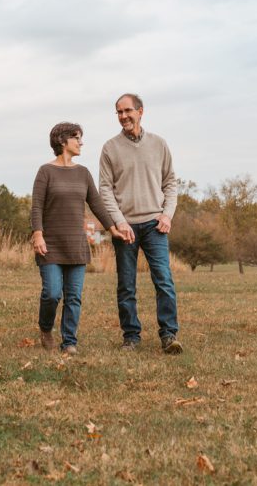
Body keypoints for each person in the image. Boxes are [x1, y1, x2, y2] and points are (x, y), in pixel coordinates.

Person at [99, 93, 183, 354]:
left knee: (164, 280)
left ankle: (168, 335)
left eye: (127, 111)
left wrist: (167, 215)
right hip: (126, 227)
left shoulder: (159, 144)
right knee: (126, 285)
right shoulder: (110, 148)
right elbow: (105, 190)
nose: (123, 116)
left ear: (140, 111)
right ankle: (131, 336)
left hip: (155, 224)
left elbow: (170, 183)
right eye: (119, 112)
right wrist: (119, 222)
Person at [30, 122, 120, 354]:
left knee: (73, 297)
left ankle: (69, 341)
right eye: (77, 138)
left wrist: (113, 228)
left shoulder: (83, 173)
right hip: (50, 244)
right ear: (62, 140)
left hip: (76, 245)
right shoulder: (45, 171)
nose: (81, 142)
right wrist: (38, 234)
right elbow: (37, 206)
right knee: (52, 293)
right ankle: (46, 328)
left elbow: (96, 204)